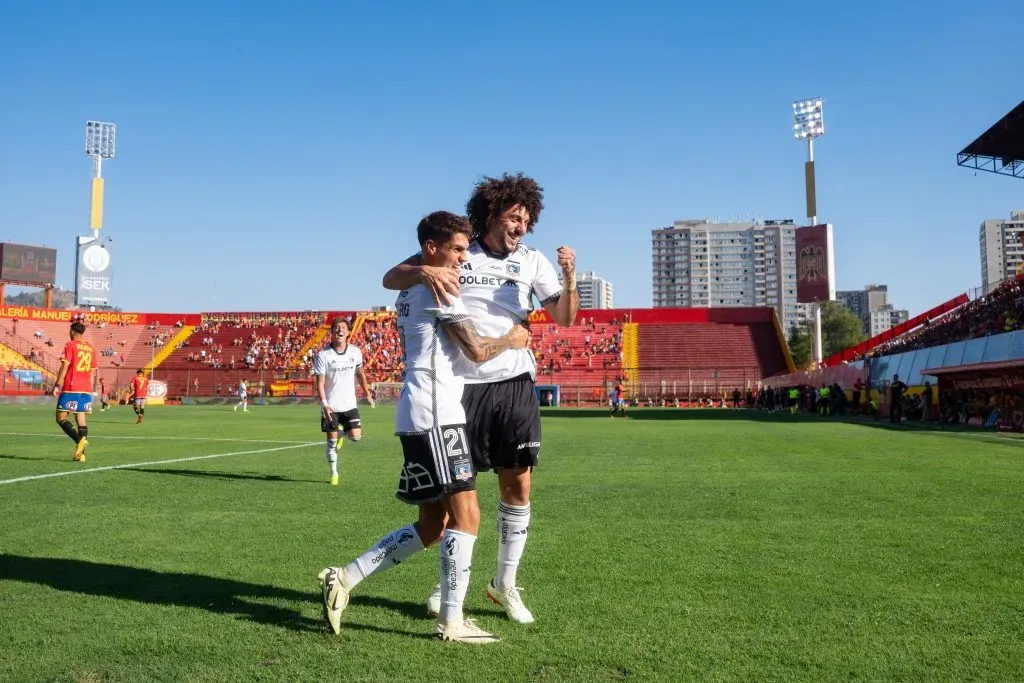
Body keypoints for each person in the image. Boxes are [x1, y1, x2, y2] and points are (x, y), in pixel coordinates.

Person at [319, 210, 530, 644]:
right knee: (467, 514)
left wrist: (423, 267)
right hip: (437, 412)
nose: (462, 257)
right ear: (431, 248)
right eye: (455, 249)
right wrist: (512, 339)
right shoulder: (437, 286)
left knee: (433, 525)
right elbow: (474, 350)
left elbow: (391, 276)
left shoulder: (417, 281)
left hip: (418, 410)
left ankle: (344, 577)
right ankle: (452, 622)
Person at [383, 173, 579, 624]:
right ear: (492, 214)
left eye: (528, 219)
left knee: (519, 484)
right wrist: (425, 268)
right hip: (461, 387)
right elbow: (392, 277)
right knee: (457, 497)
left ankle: (505, 584)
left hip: (513, 382)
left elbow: (565, 317)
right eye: (515, 216)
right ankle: (450, 587)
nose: (522, 226)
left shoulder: (531, 261)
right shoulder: (459, 250)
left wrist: (569, 278)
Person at [313, 317, 375, 486]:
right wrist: (325, 404)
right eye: (336, 328)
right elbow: (319, 383)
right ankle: (334, 474)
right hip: (330, 407)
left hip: (349, 405)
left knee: (356, 437)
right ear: (331, 333)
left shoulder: (355, 352)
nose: (340, 330)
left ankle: (342, 434)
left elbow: (360, 374)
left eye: (343, 328)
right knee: (331, 444)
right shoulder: (323, 355)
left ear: (348, 332)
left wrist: (367, 393)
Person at [50, 322, 96, 462]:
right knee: (81, 420)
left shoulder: (70, 345)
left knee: (61, 418)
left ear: (71, 331)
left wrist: (57, 385)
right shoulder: (90, 348)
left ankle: (78, 440)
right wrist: (91, 390)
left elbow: (65, 366)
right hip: (86, 388)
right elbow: (93, 372)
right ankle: (80, 454)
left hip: (72, 387)